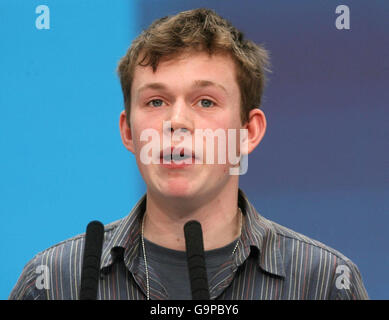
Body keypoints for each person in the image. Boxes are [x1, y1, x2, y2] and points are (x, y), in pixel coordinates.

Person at [9, 8, 368, 300]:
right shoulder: (53, 282)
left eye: (206, 101)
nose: (177, 121)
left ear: (249, 131)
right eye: (156, 101)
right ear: (128, 132)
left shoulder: (323, 282)